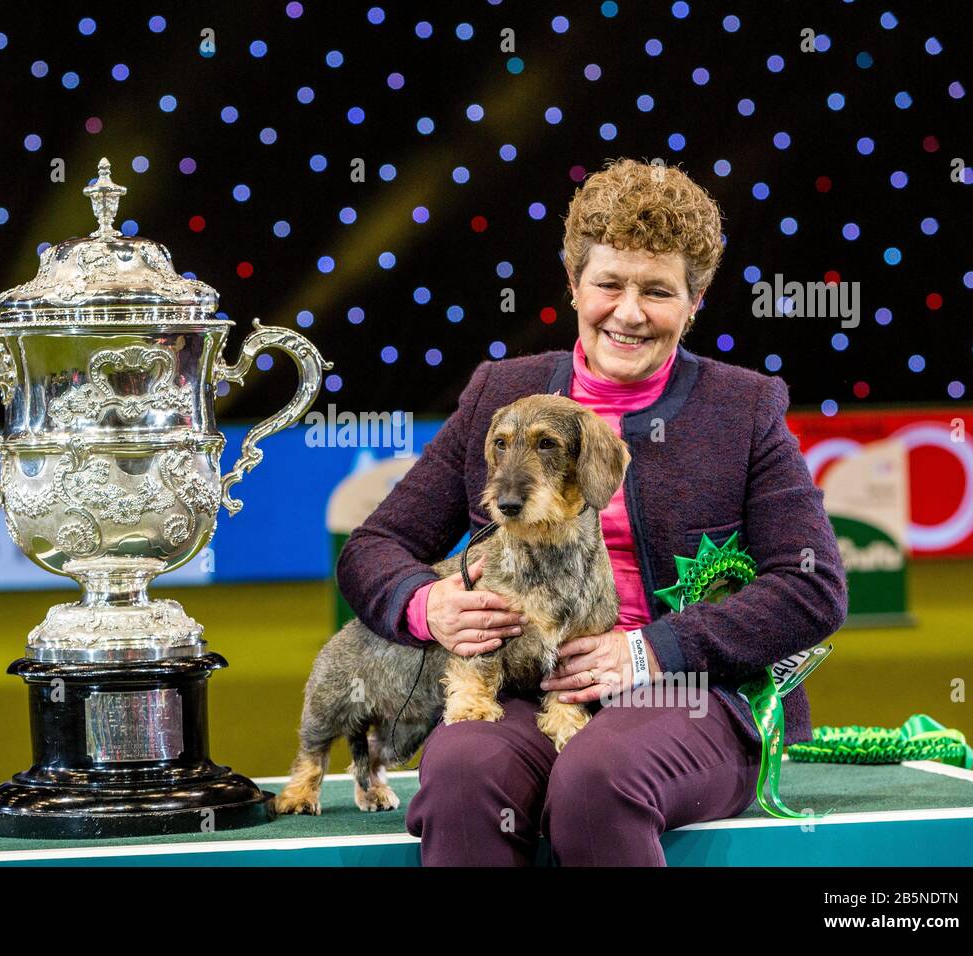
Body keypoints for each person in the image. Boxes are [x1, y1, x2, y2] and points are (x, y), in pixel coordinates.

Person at [335, 158, 848, 866]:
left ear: (694, 302)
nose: (629, 311)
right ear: (574, 286)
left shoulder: (746, 408)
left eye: (658, 291)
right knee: (458, 776)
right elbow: (375, 546)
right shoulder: (501, 394)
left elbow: (812, 586)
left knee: (596, 781)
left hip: (692, 697)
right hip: (525, 690)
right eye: (608, 283)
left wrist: (648, 652)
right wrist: (428, 606)